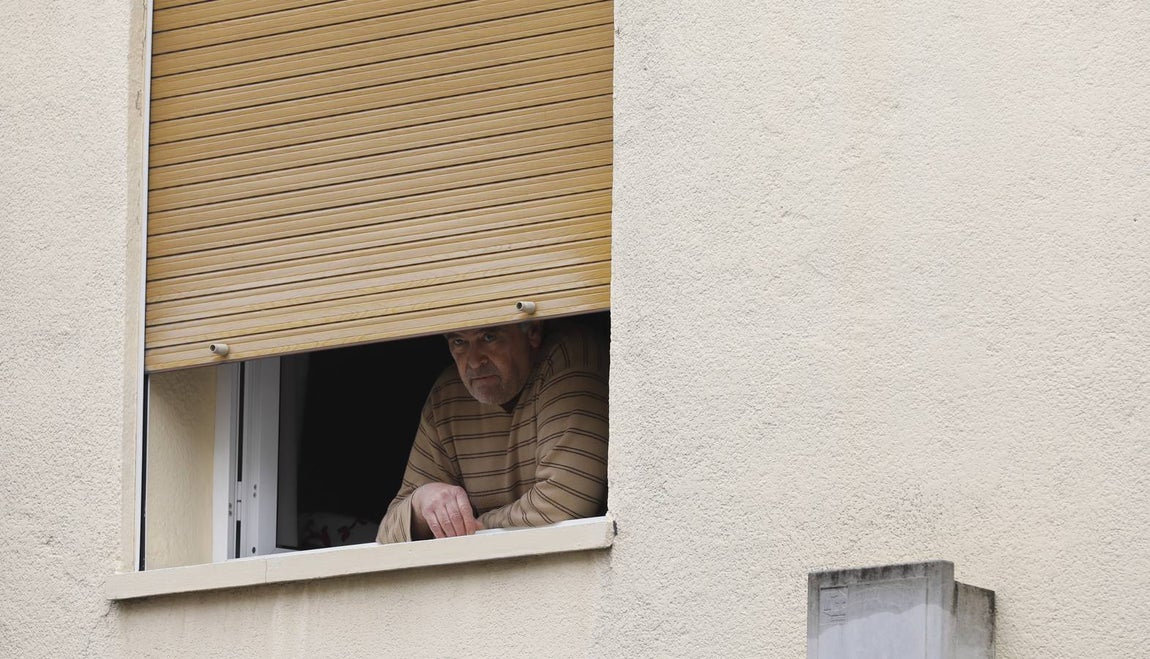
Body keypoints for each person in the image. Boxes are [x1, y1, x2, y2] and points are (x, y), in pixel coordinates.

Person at [376, 318, 608, 543]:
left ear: (533, 332)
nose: (475, 361)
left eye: (489, 337)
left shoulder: (571, 357)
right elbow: (387, 536)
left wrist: (472, 528)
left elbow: (563, 504)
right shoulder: (447, 395)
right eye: (459, 342)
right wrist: (421, 503)